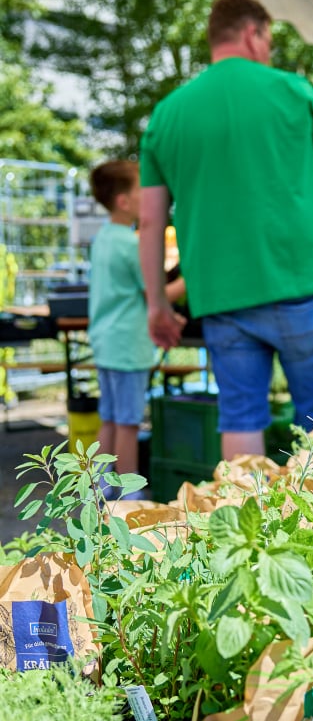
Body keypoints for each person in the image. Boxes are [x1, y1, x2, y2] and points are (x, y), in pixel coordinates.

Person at [138, 0, 313, 461]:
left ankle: (243, 530)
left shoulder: (167, 115)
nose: (269, 51)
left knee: (240, 418)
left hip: (222, 294)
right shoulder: (293, 91)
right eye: (269, 40)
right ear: (252, 32)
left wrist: (158, 303)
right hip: (300, 277)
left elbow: (150, 219)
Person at [88, 160, 167, 498]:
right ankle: (128, 489)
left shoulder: (104, 238)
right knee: (129, 421)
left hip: (107, 342)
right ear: (124, 201)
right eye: (140, 190)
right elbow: (156, 292)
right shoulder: (129, 244)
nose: (147, 197)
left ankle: (96, 483)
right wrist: (193, 277)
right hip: (127, 344)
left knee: (110, 417)